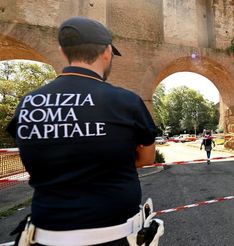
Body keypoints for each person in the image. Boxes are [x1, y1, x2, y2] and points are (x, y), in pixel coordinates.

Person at [7, 16, 163, 246]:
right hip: (115, 236)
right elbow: (147, 157)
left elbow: (34, 156)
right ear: (107, 52)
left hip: (45, 237)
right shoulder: (125, 101)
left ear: (63, 51)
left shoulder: (28, 102)